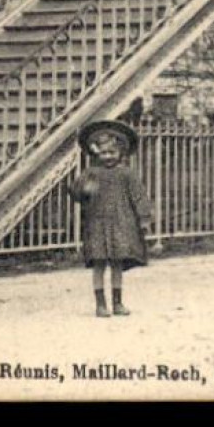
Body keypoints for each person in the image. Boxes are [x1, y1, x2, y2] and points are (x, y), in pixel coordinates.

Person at [71, 120, 151, 317]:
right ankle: (100, 304)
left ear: (121, 153)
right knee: (98, 263)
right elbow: (76, 193)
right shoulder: (90, 173)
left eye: (112, 153)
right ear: (96, 153)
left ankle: (118, 303)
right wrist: (82, 190)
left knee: (117, 263)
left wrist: (144, 219)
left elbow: (139, 196)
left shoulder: (127, 174)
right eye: (103, 153)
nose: (107, 157)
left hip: (121, 224)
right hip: (96, 224)